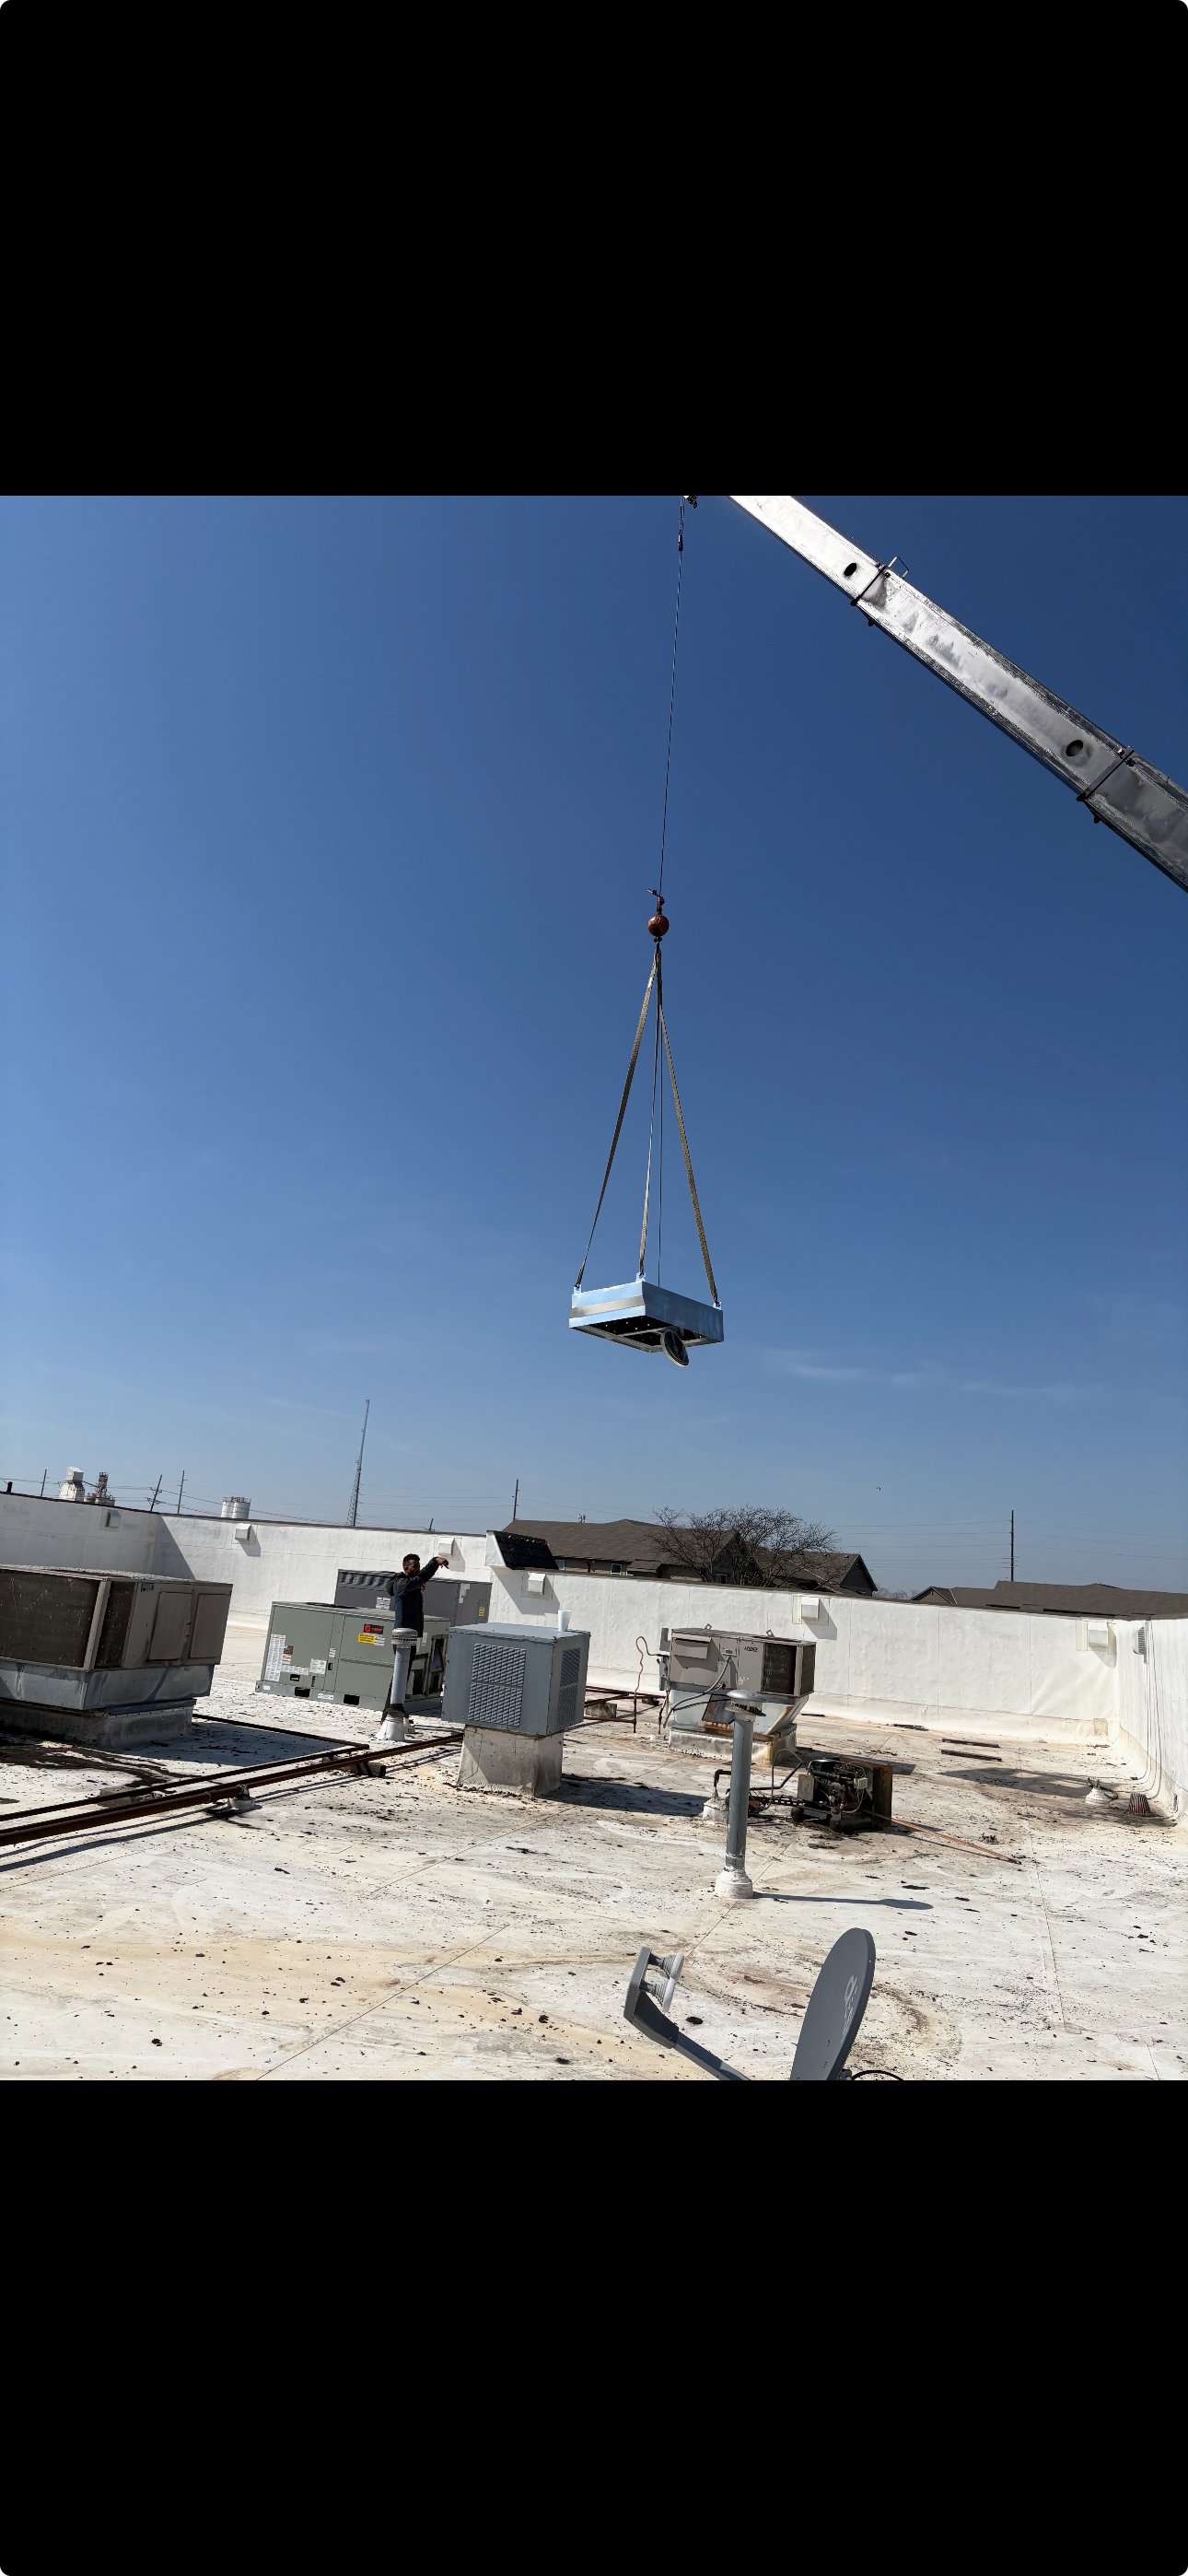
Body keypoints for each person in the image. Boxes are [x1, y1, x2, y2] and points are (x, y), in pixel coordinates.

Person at [374, 1550, 448, 1747]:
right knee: (399, 1675)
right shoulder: (402, 1584)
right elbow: (422, 1576)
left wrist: (432, 1564)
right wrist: (434, 1562)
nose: (417, 1570)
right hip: (402, 1636)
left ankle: (397, 1708)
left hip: (411, 1634)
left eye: (417, 1566)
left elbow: (421, 1577)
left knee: (403, 1675)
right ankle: (387, 1714)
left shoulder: (408, 1582)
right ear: (406, 1568)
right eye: (414, 1566)